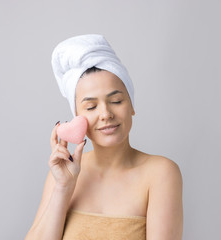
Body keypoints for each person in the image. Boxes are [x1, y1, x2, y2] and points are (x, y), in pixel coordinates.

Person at [25, 34, 183, 240]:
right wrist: (63, 188)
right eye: (91, 106)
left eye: (116, 101)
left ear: (132, 106)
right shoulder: (62, 174)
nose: (106, 114)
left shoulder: (160, 173)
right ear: (77, 118)